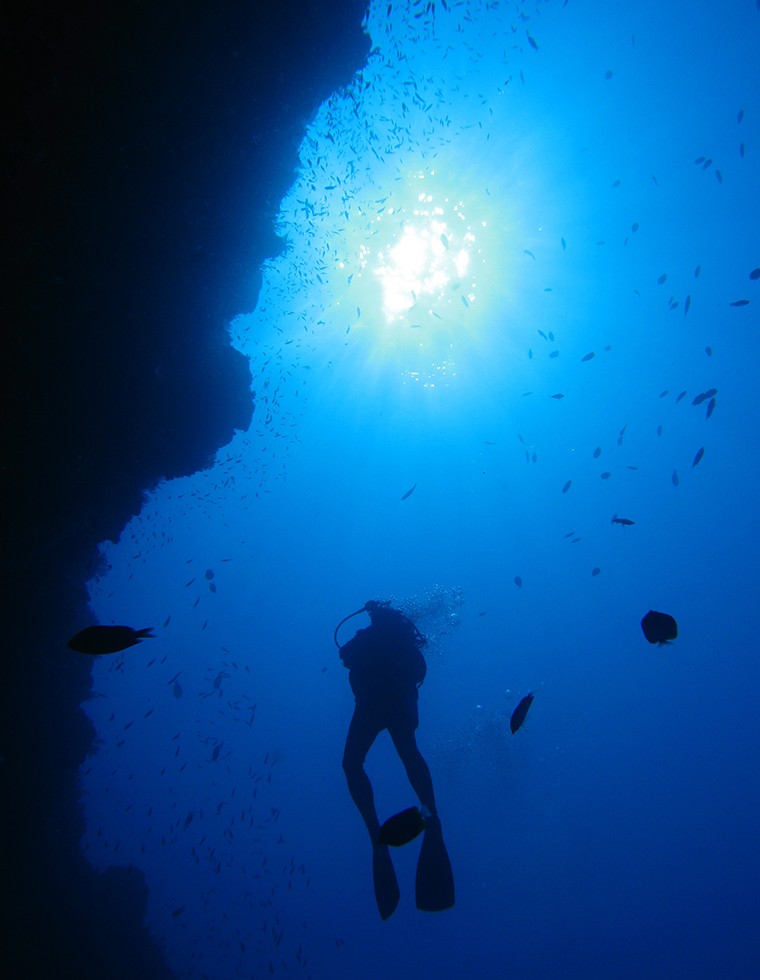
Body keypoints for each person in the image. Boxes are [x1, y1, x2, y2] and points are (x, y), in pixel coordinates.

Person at [335, 599, 454, 919]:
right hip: (399, 704)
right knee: (409, 754)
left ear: (373, 614)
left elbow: (344, 654)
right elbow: (418, 670)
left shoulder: (369, 636)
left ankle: (376, 833)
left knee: (351, 764)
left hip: (372, 705)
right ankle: (431, 815)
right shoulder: (400, 637)